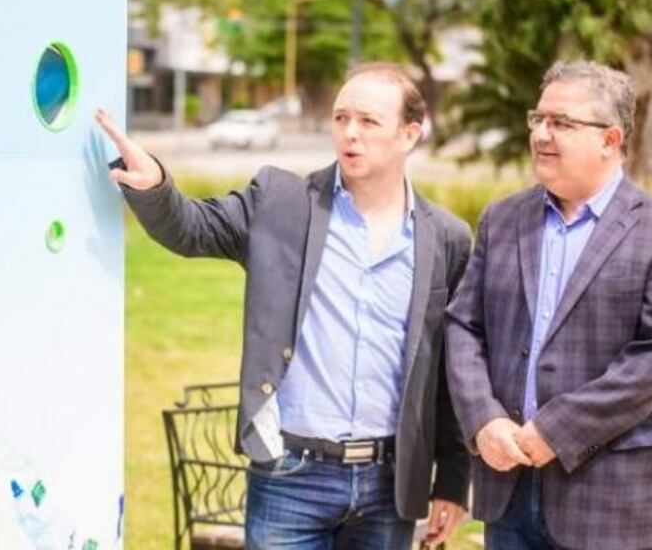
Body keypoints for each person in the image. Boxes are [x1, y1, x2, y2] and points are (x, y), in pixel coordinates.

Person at [97, 63, 471, 549]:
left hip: (388, 485)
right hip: (290, 473)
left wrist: (452, 481)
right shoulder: (283, 202)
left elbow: (451, 372)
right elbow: (192, 228)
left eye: (368, 121)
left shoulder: (447, 238)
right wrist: (155, 186)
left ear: (409, 134)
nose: (349, 133)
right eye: (340, 118)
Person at [445, 60, 652, 550]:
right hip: (509, 488)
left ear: (611, 139)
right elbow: (463, 326)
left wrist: (556, 430)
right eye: (538, 119)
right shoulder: (502, 220)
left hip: (606, 501)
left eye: (561, 123)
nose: (542, 133)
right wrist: (483, 419)